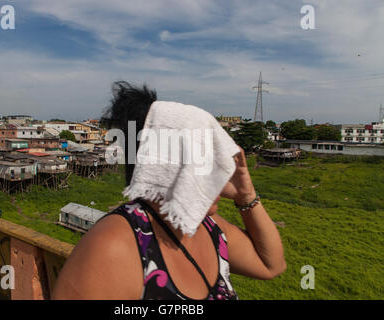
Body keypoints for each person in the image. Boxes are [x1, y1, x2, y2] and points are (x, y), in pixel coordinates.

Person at [52, 81, 286, 300]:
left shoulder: (210, 228)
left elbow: (272, 265)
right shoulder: (113, 247)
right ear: (169, 166)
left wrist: (247, 195)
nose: (220, 177)